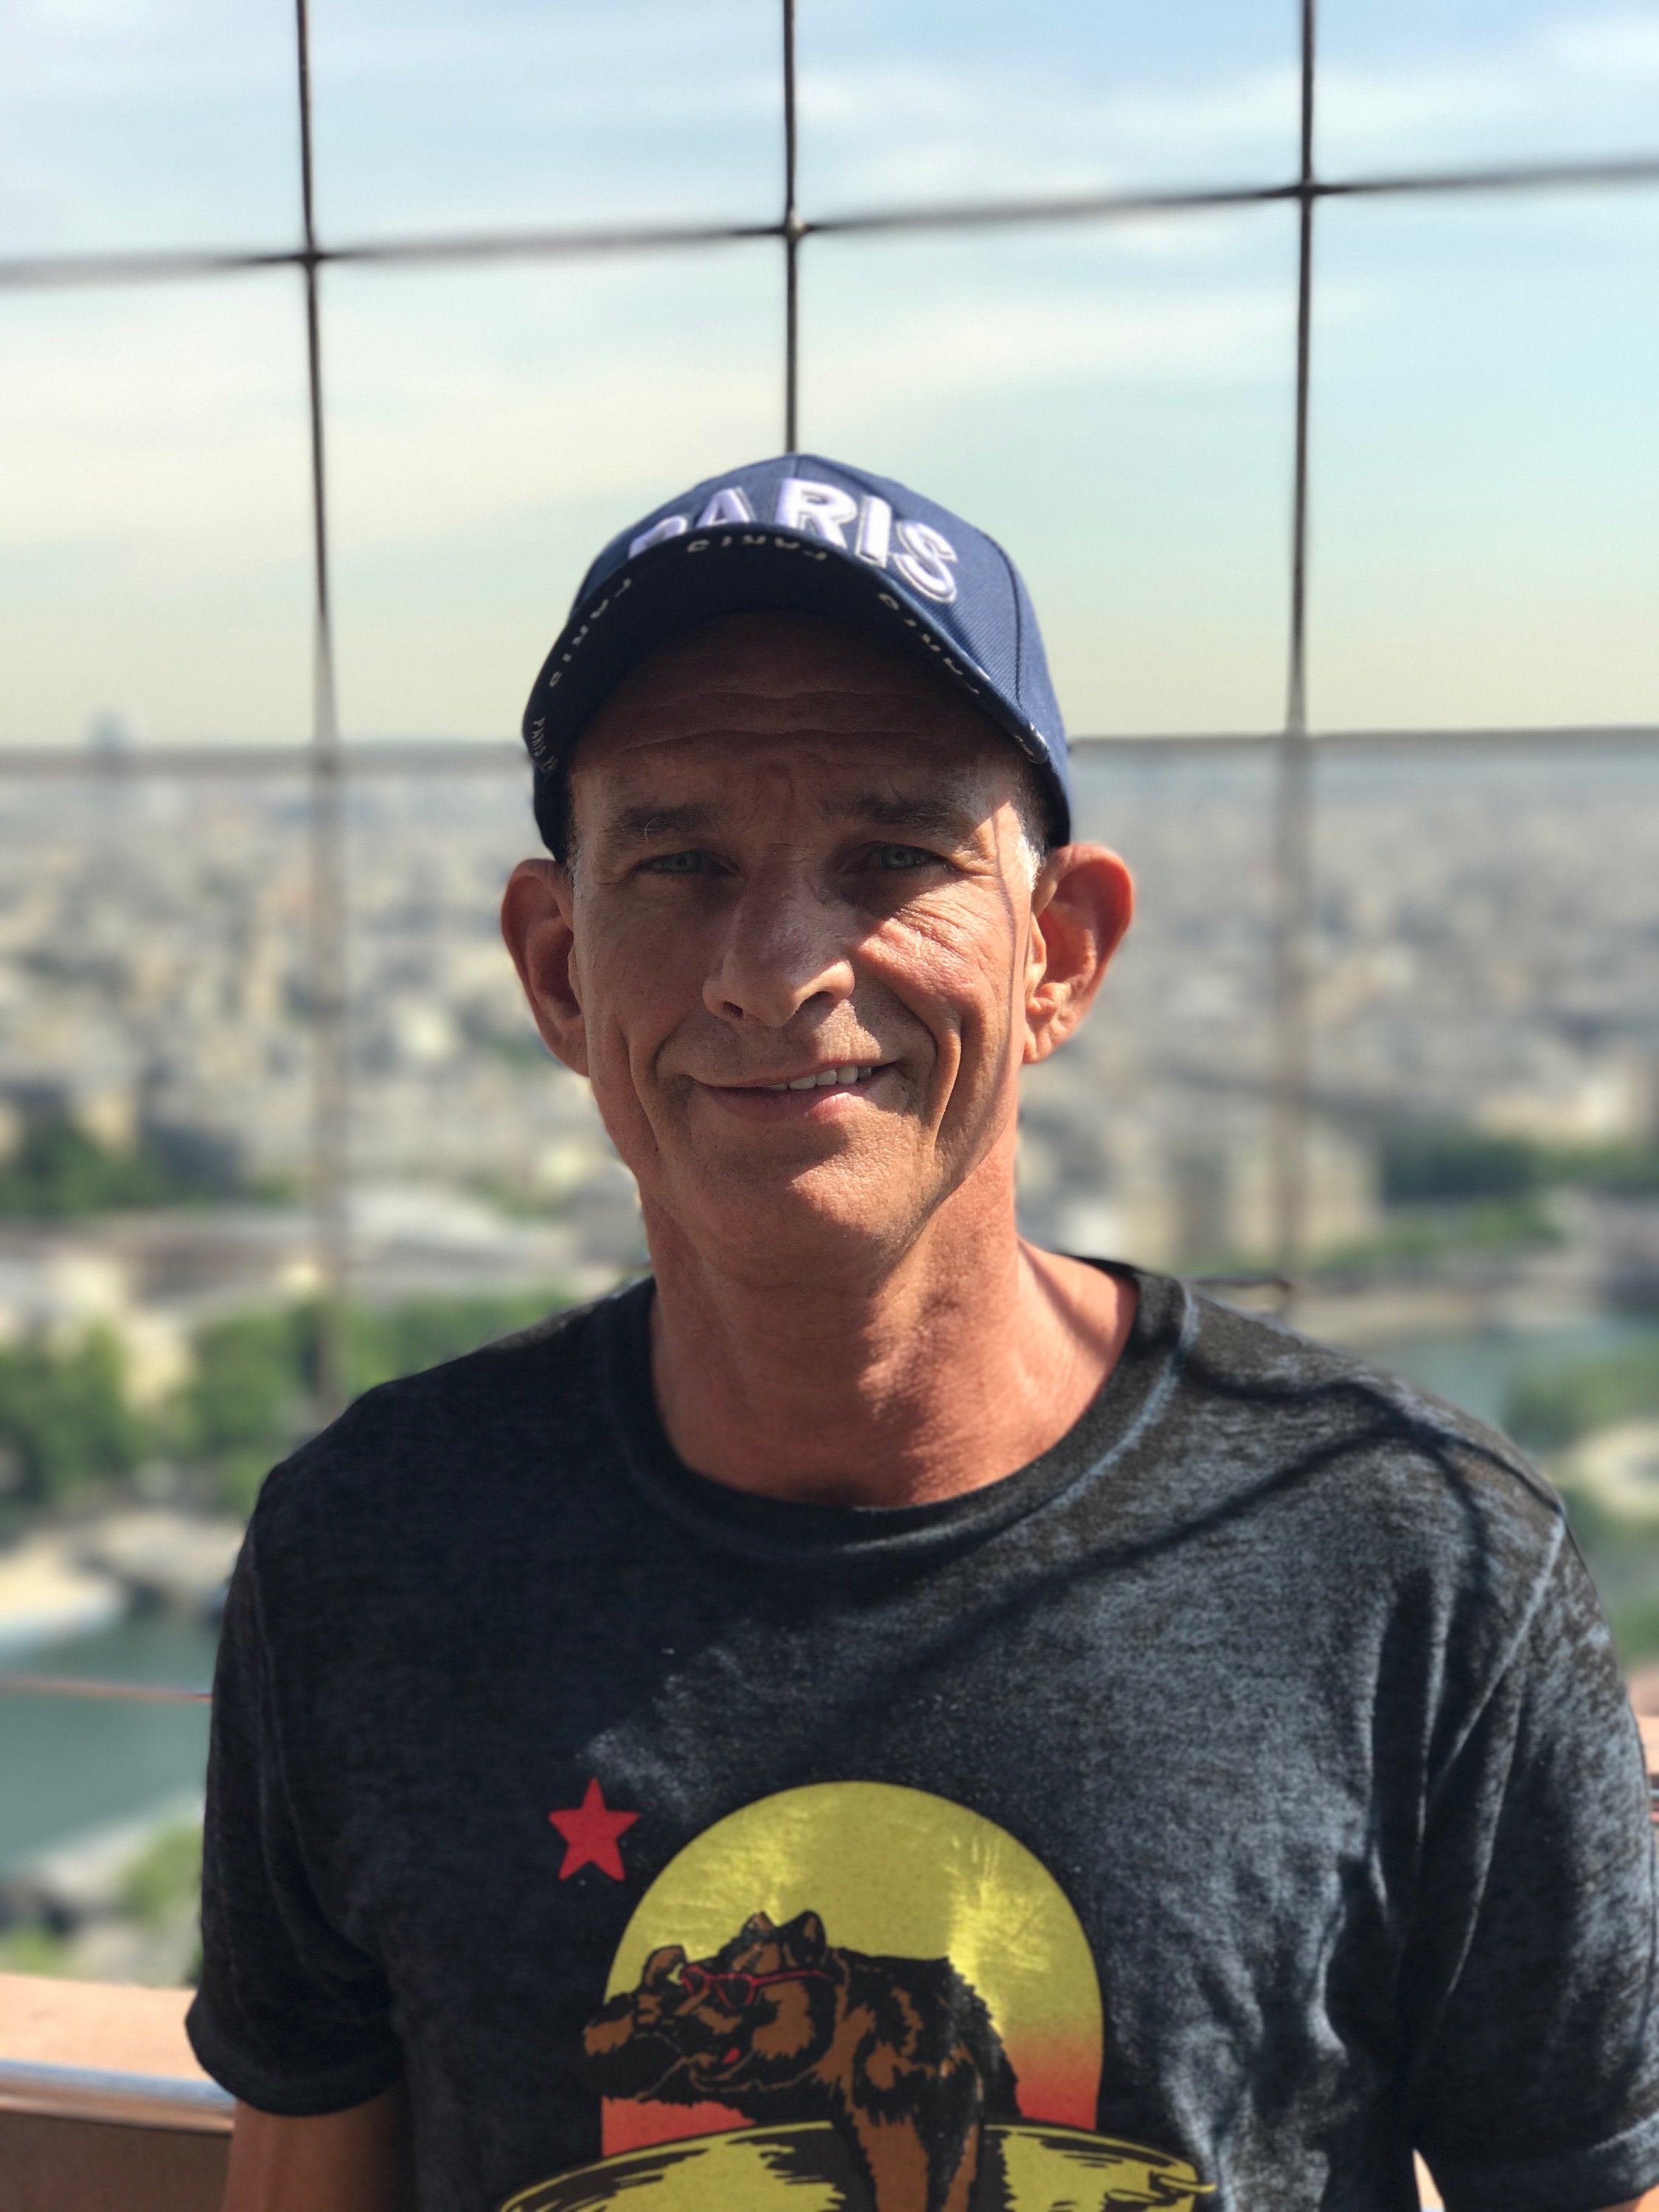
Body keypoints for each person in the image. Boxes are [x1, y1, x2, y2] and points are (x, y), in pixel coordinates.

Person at [189, 456, 1659, 2212]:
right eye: (679, 862)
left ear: (1060, 953)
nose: (775, 964)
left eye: (892, 857)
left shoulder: (1422, 1565)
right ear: (560, 970)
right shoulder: (365, 1556)